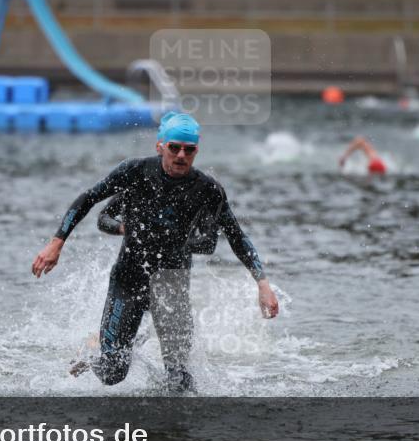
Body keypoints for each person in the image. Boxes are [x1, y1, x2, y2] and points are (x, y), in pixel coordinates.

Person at [31, 111, 279, 393]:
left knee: (179, 381)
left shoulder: (208, 190)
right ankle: (94, 349)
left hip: (172, 285)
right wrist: (57, 242)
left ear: (197, 150)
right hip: (129, 279)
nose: (181, 155)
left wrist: (262, 283)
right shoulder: (135, 172)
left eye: (189, 149)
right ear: (160, 146)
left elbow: (237, 237)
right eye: (174, 148)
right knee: (113, 373)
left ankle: (171, 435)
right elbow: (88, 199)